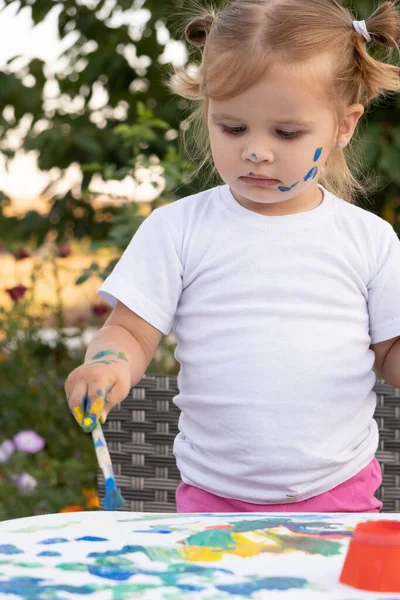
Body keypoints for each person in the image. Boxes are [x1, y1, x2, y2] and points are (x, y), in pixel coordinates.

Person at [66, 0, 400, 513]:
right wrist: (107, 364)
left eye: (286, 133)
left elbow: (390, 350)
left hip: (339, 494)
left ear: (343, 126)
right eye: (233, 128)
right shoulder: (177, 230)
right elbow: (131, 331)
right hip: (213, 498)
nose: (256, 151)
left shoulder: (369, 239)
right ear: (207, 116)